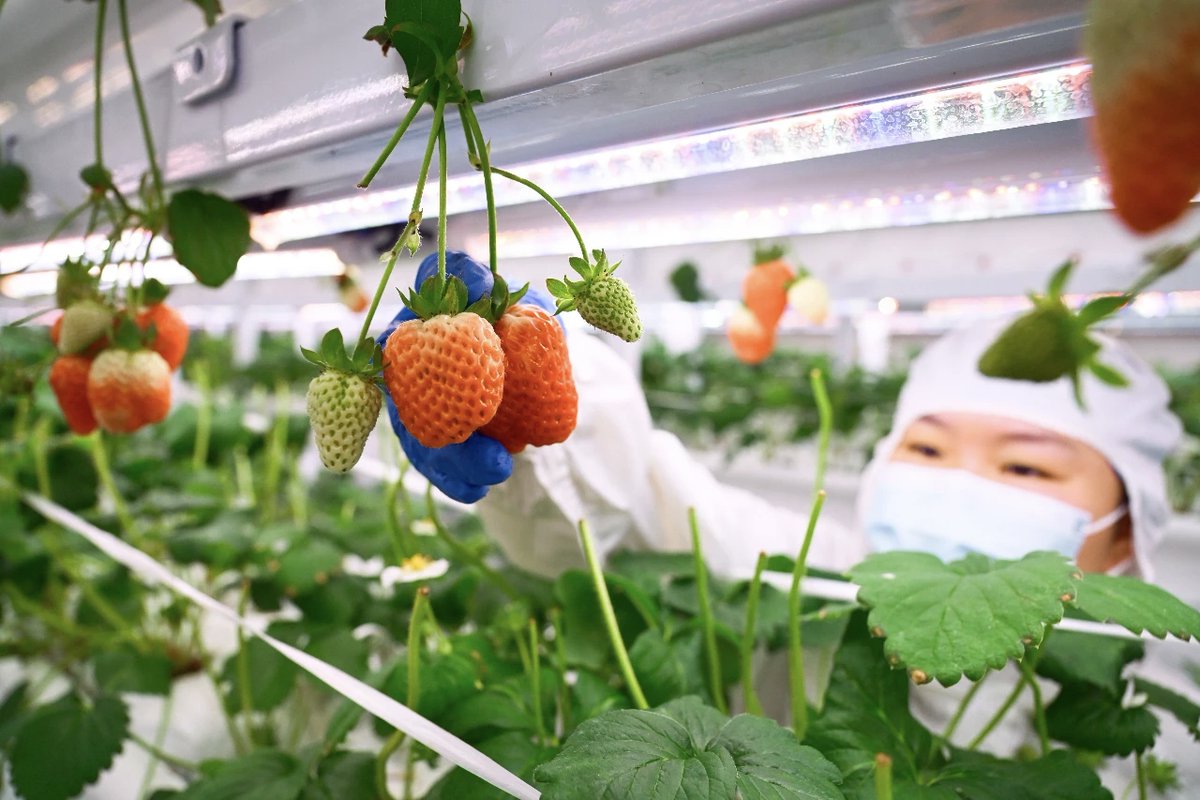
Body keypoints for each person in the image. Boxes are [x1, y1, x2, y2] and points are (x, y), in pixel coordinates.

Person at [380, 251, 1182, 585]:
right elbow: (647, 508)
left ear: (1128, 533)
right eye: (929, 449)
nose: (962, 484)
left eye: (1026, 466)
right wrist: (527, 392)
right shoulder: (815, 582)